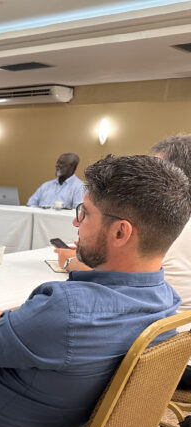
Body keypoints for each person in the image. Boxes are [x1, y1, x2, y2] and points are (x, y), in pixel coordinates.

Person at [0, 155, 190, 427]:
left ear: (121, 232)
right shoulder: (166, 301)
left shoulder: (66, 311)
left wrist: (10, 316)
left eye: (85, 213)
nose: (75, 222)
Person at [55, 136, 191, 390]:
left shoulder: (170, 228)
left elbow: (114, 279)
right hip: (174, 343)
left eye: (154, 171)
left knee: (80, 345)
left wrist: (72, 260)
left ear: (175, 179)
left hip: (168, 355)